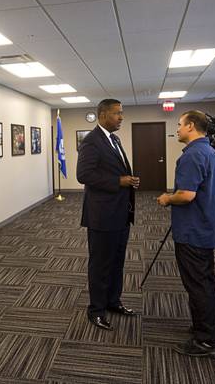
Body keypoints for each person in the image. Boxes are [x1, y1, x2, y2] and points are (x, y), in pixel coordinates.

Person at [157, 110, 215, 358]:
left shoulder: (192, 156)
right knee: (206, 281)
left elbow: (186, 195)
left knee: (197, 285)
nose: (177, 128)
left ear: (191, 126)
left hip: (193, 231)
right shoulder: (211, 152)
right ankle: (211, 328)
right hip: (206, 227)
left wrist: (167, 198)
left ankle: (206, 340)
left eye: (180, 124)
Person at [77, 98, 139, 331]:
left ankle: (113, 301)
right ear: (103, 115)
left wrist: (128, 180)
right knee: (101, 265)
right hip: (102, 216)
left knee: (117, 262)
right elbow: (83, 175)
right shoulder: (92, 142)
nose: (121, 117)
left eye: (122, 113)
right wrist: (118, 181)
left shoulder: (114, 138)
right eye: (117, 113)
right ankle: (96, 310)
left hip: (120, 213)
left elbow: (115, 169)